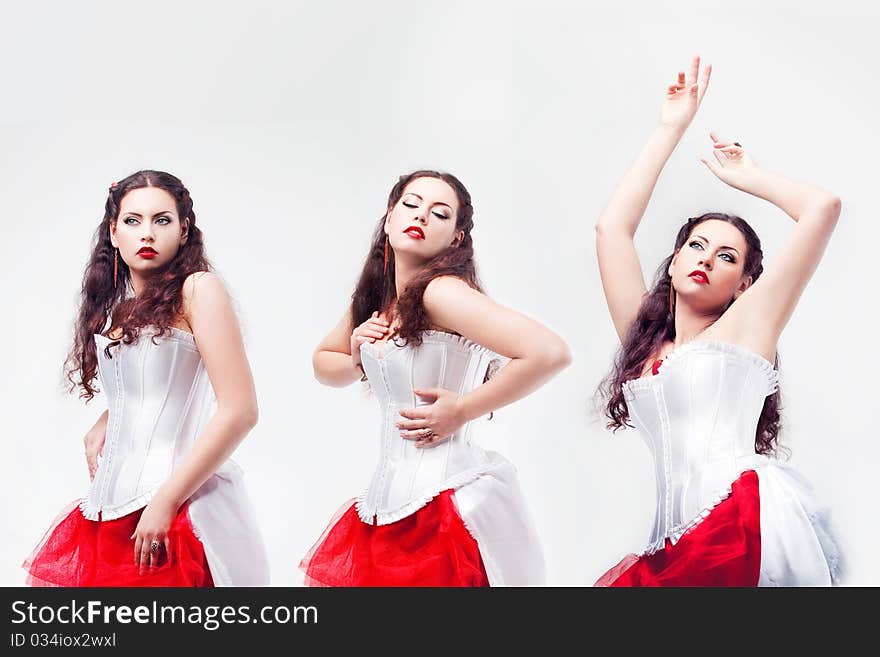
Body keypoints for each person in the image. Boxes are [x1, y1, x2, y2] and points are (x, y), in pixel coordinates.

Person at [593, 57, 842, 586]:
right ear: (676, 258)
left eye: (727, 257)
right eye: (697, 246)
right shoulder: (644, 343)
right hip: (669, 543)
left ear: (745, 286)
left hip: (736, 520)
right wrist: (670, 128)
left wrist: (748, 177)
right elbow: (612, 229)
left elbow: (822, 208)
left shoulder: (747, 329)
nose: (706, 259)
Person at [301, 170, 571, 586]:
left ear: (456, 239)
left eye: (440, 213)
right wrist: (357, 355)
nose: (421, 216)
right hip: (386, 507)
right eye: (411, 205)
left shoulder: (440, 292)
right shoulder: (380, 299)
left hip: (442, 504)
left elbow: (549, 353)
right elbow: (324, 364)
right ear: (389, 219)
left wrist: (462, 410)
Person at [23, 170, 270, 586]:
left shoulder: (198, 289)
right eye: (133, 221)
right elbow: (155, 383)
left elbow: (241, 410)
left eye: (162, 220)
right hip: (106, 511)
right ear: (114, 233)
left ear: (184, 230)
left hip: (176, 507)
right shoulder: (121, 311)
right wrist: (111, 413)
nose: (147, 234)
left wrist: (167, 500)